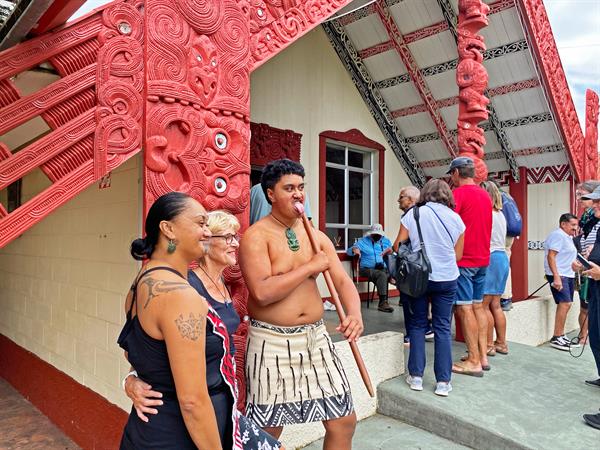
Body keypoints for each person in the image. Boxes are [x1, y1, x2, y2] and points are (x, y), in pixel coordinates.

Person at [118, 193, 281, 450]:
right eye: (200, 223)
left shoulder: (139, 284)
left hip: (150, 429)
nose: (207, 232)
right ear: (168, 229)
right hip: (180, 435)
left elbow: (138, 353)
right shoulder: (182, 296)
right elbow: (192, 401)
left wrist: (131, 379)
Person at [240, 159, 363, 450]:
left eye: (301, 187)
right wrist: (309, 267)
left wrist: (355, 313)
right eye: (289, 188)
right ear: (270, 194)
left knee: (343, 420)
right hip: (271, 341)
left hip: (315, 338)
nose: (298, 194)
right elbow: (261, 292)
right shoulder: (256, 237)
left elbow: (343, 283)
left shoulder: (317, 236)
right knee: (266, 429)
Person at [123, 211, 241, 428]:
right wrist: (131, 378)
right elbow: (145, 344)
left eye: (236, 237)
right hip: (193, 402)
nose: (235, 243)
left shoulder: (222, 282)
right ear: (207, 242)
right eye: (227, 237)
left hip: (224, 391)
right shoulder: (188, 286)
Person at [395, 179, 465, 396]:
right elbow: (458, 255)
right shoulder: (456, 219)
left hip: (419, 277)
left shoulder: (413, 215)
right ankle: (443, 382)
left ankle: (416, 377)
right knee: (443, 328)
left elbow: (397, 246)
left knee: (417, 325)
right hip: (446, 277)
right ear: (447, 196)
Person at [447, 157, 492, 377]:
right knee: (478, 307)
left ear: (456, 173)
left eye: (451, 174)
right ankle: (482, 356)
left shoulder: (457, 195)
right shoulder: (485, 195)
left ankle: (473, 360)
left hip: (464, 260)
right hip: (483, 258)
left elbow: (451, 227)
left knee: (464, 309)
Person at [575, 186, 600, 429]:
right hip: (595, 285)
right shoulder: (596, 225)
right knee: (596, 337)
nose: (593, 206)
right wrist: (585, 265)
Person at [480, 181, 510, 356]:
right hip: (501, 258)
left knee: (483, 306)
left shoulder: (486, 214)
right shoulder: (501, 215)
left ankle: (488, 345)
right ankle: (501, 343)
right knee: (496, 305)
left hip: (490, 258)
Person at [544, 213, 579, 351]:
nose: (575, 228)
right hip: (560, 275)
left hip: (567, 274)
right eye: (573, 225)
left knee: (567, 304)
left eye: (576, 225)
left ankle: (561, 335)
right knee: (565, 304)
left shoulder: (568, 237)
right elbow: (551, 256)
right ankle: (556, 337)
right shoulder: (557, 235)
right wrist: (556, 277)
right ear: (563, 224)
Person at [393, 186, 421, 344]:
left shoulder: (409, 217)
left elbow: (399, 245)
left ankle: (412, 334)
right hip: (428, 264)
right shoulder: (426, 214)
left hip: (412, 265)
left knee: (409, 301)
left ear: (411, 200)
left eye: (401, 197)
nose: (398, 200)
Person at [574, 181, 600, 344]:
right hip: (593, 282)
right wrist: (584, 262)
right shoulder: (590, 222)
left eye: (583, 195)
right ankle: (585, 335)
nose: (580, 198)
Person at [347, 224, 394, 312]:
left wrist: (391, 251)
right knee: (383, 275)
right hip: (366, 269)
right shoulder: (363, 241)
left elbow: (392, 252)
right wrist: (354, 249)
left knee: (393, 273)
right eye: (375, 234)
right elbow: (349, 251)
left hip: (382, 267)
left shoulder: (386, 241)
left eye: (379, 234)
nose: (377, 236)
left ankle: (403, 300)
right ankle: (382, 303)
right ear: (370, 234)